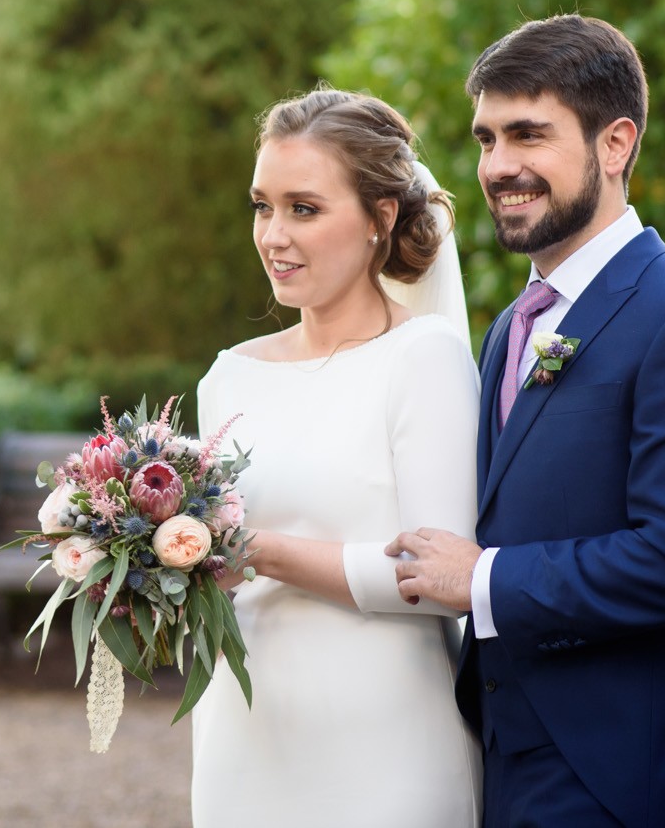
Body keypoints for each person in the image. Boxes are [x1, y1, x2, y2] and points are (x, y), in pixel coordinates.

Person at [389, 15, 665, 828]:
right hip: (511, 769)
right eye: (486, 138)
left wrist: (480, 580)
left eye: (529, 134)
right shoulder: (507, 330)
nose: (498, 166)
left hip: (634, 783)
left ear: (616, 143)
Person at [192, 88, 481, 828]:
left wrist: (260, 550)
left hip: (385, 751)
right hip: (245, 742)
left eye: (304, 208)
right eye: (263, 205)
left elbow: (437, 575)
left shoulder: (424, 358)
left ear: (382, 217)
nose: (274, 235)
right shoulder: (229, 375)